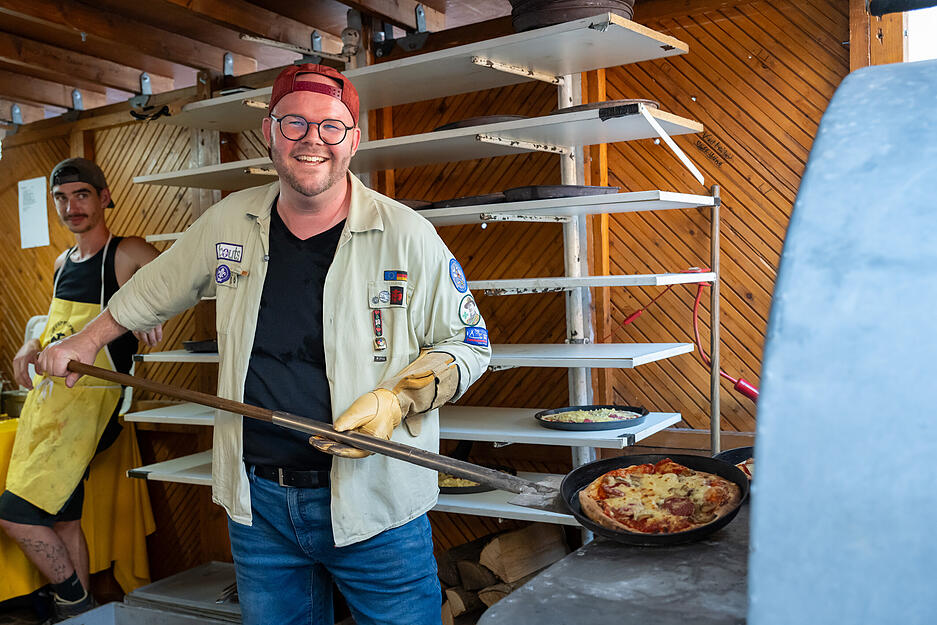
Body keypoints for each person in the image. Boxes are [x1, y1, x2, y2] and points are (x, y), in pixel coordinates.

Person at [36, 64, 491, 625]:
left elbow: (468, 345)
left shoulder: (406, 233)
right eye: (294, 123)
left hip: (378, 503)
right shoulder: (231, 219)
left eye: (332, 126)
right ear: (269, 134)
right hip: (260, 508)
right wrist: (86, 340)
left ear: (354, 139)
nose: (312, 140)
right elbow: (154, 288)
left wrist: (399, 397)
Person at [0, 158, 162, 621]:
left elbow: (180, 280)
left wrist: (151, 311)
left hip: (89, 412)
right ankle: (83, 620)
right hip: (48, 411)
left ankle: (72, 599)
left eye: (82, 195)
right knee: (65, 520)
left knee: (15, 515)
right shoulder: (61, 262)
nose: (71, 206)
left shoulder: (124, 253)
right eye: (61, 197)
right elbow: (56, 326)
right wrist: (31, 344)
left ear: (105, 196)